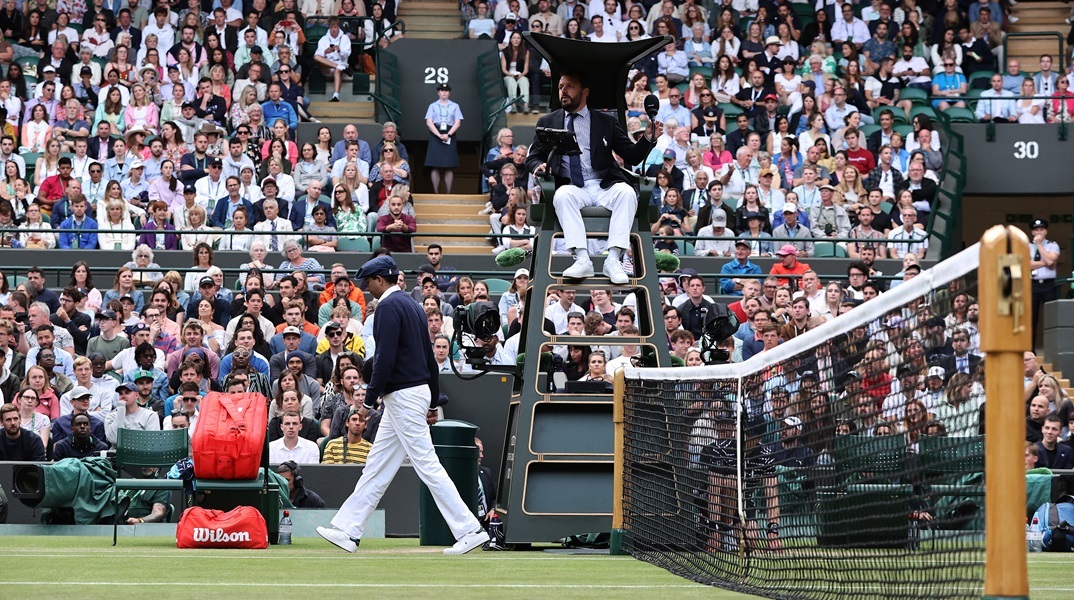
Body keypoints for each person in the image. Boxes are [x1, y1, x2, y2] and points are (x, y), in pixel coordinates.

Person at [317, 255, 489, 555]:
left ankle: (470, 529)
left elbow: (385, 358)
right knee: (378, 465)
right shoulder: (412, 305)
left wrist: (368, 400)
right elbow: (426, 357)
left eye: (368, 281)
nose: (366, 287)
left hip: (404, 396)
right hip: (412, 394)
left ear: (380, 279)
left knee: (427, 464)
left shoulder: (386, 307)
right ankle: (348, 529)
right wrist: (433, 399)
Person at [526, 71, 658, 284]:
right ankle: (581, 259)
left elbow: (632, 155)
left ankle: (613, 260)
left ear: (585, 92)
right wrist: (537, 165)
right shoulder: (548, 120)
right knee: (561, 195)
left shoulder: (605, 121)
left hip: (604, 184)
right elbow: (533, 156)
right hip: (573, 186)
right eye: (560, 87)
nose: (563, 92)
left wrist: (648, 139)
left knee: (626, 193)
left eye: (570, 87)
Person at [424, 83, 463, 194]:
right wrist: (438, 135)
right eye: (442, 90)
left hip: (449, 132)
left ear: (449, 92)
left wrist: (448, 134)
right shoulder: (433, 106)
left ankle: (448, 193)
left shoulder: (455, 106)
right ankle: (436, 192)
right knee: (434, 165)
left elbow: (458, 122)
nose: (444, 92)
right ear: (438, 92)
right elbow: (429, 122)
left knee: (449, 165)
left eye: (446, 90)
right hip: (436, 133)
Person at [1028, 217, 1059, 338]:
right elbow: (1026, 264)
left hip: (1048, 285)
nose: (1039, 232)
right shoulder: (1027, 246)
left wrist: (1039, 244)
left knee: (1051, 318)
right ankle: (1031, 351)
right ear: (1032, 232)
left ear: (1045, 231)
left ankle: (1052, 348)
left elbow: (1052, 260)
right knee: (1031, 318)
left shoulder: (1052, 245)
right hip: (1033, 285)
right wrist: (1046, 262)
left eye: (1041, 229)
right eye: (1036, 230)